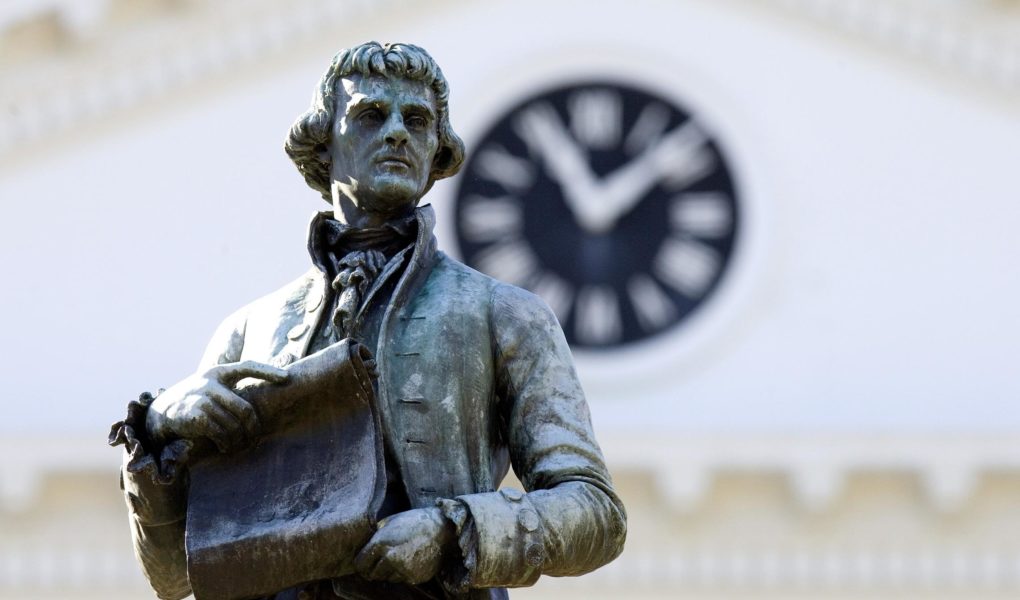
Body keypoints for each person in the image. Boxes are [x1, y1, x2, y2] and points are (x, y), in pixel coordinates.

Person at [110, 41, 625, 600]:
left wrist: (451, 531)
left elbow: (595, 511)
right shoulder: (248, 331)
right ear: (324, 142)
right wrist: (158, 427)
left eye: (417, 121)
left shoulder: (503, 313)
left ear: (436, 150)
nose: (398, 133)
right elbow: (172, 573)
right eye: (371, 115)